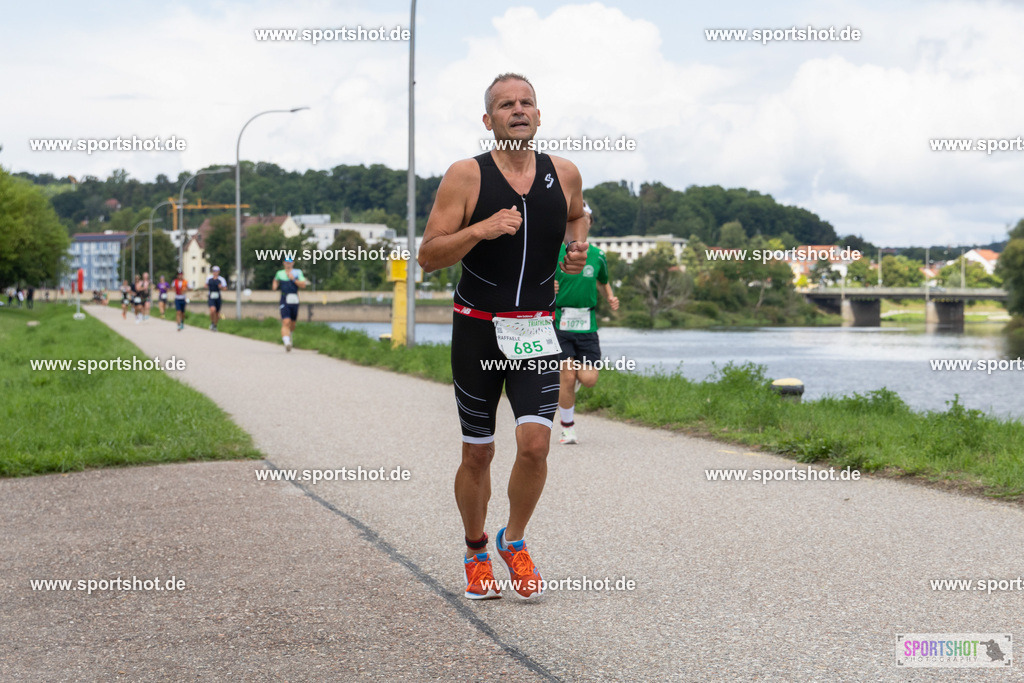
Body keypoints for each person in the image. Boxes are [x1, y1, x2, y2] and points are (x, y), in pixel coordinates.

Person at [418, 73, 588, 600]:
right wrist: (481, 230)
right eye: (505, 104)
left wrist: (574, 252)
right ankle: (475, 551)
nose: (518, 110)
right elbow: (427, 256)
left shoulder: (564, 174)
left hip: (536, 329)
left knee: (536, 444)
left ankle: (512, 540)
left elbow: (578, 219)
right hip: (477, 330)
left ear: (539, 116)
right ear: (488, 121)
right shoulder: (465, 176)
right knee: (478, 454)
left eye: (527, 102)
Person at [553, 203, 619, 445]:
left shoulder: (598, 255)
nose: (582, 223)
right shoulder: (553, 251)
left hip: (587, 325)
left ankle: (566, 386)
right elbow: (535, 280)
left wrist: (610, 296)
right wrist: (548, 287)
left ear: (589, 223)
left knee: (589, 379)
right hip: (560, 322)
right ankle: (567, 428)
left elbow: (603, 281)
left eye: (586, 218)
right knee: (568, 376)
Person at [271, 257, 307, 351]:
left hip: (294, 298)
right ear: (284, 263)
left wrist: (293, 279)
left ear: (293, 263)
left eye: (290, 263)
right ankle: (286, 342)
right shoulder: (280, 273)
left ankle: (289, 335)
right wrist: (275, 285)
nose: (288, 264)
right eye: (286, 262)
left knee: (292, 323)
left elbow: (303, 285)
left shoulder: (298, 272)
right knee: (286, 321)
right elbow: (275, 280)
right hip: (284, 298)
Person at [206, 266, 227, 332]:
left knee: (217, 313)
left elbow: (225, 288)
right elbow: (205, 285)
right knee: (212, 310)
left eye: (216, 271)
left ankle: (215, 325)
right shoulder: (209, 278)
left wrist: (220, 287)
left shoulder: (221, 279)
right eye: (214, 271)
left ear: (218, 272)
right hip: (211, 296)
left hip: (218, 296)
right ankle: (212, 322)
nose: (215, 272)